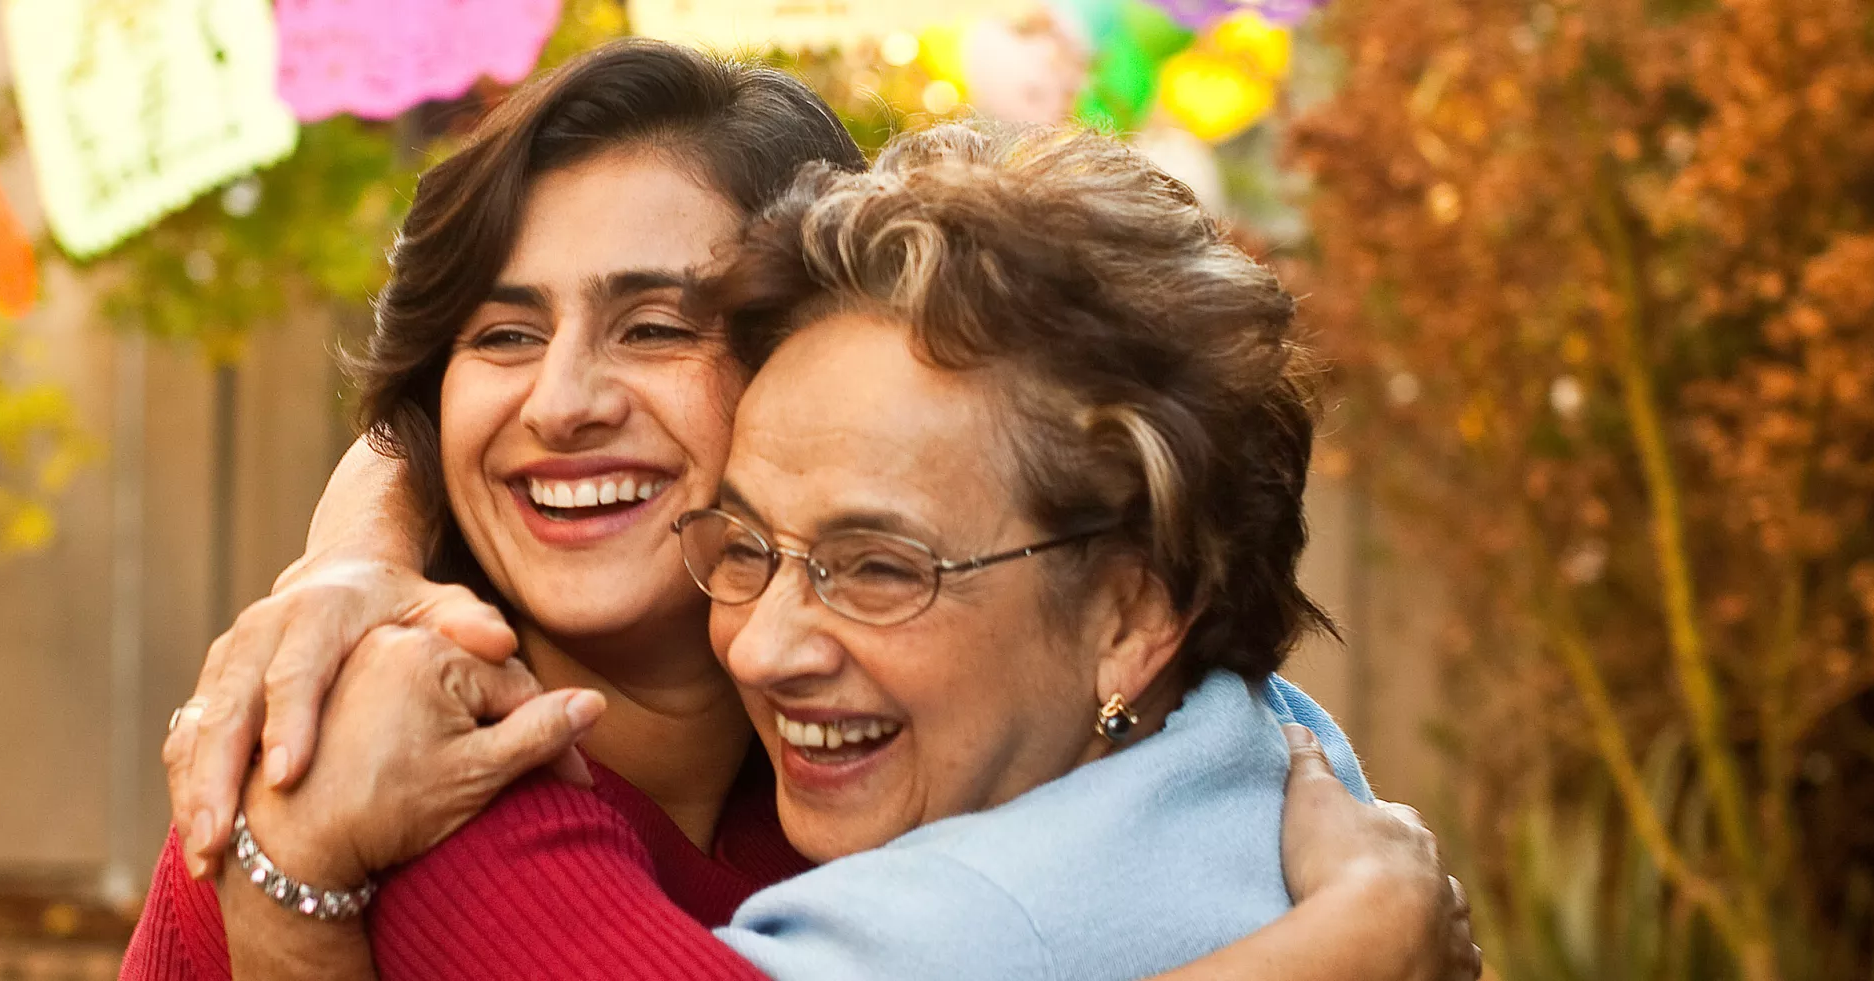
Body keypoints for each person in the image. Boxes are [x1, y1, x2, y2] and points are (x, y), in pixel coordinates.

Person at [127, 40, 1477, 981]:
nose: (561, 402)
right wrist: (1356, 939)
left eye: (657, 325)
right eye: (501, 336)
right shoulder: (404, 755)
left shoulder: (891, 761)